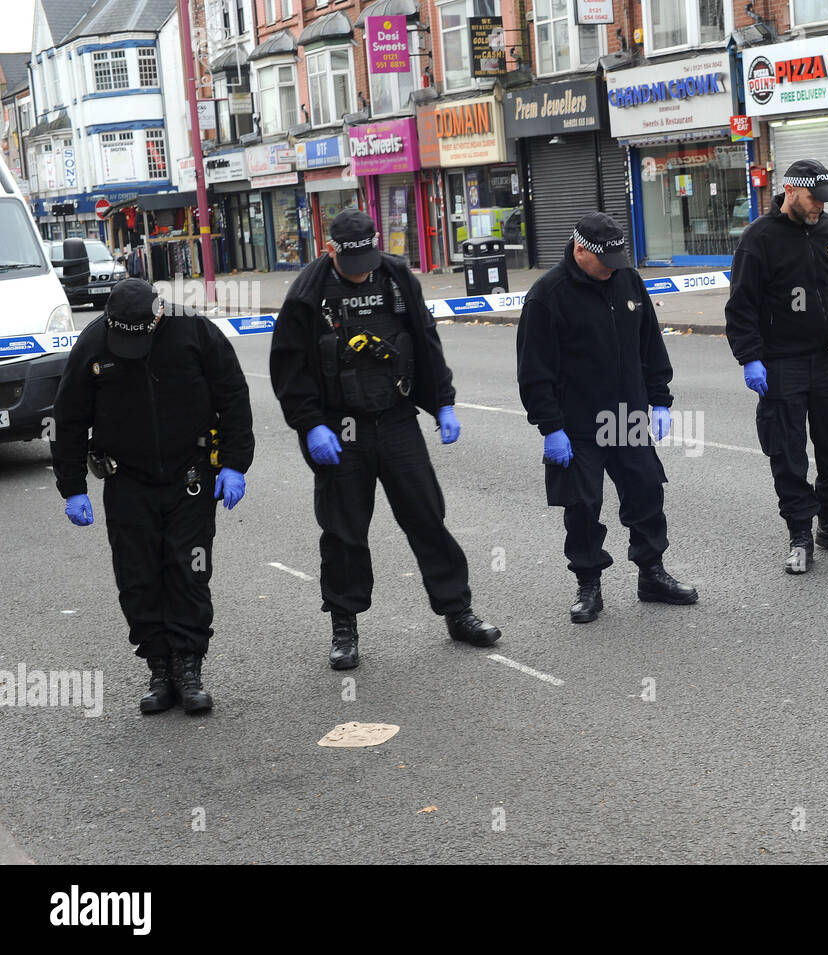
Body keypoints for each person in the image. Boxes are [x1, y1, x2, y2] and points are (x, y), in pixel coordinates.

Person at [269, 209, 499, 668]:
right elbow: (289, 367)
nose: (362, 273)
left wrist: (444, 403)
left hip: (395, 418)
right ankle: (344, 626)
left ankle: (458, 611)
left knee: (427, 517)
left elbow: (426, 340)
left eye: (367, 262)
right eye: (353, 265)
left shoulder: (395, 277)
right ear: (332, 250)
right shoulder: (308, 294)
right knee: (344, 531)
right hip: (339, 426)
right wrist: (310, 424)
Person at [53, 279, 254, 714]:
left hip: (190, 476)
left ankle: (188, 666)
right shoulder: (94, 343)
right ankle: (159, 669)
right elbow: (68, 420)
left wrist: (236, 463)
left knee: (188, 569)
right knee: (138, 576)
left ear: (158, 314)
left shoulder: (194, 331)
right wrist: (72, 488)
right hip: (127, 480)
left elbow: (233, 395)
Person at [517, 213, 697, 623]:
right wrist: (551, 428)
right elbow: (534, 371)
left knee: (646, 492)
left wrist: (660, 398)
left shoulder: (627, 280)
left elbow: (650, 343)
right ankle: (588, 584)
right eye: (607, 260)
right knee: (582, 505)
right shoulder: (548, 296)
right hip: (576, 425)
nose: (614, 268)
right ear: (581, 251)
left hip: (626, 415)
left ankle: (652, 574)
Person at [726, 159, 828, 573]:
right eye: (813, 198)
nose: (819, 207)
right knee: (788, 454)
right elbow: (741, 306)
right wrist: (750, 357)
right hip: (780, 363)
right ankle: (799, 534)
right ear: (790, 190)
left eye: (825, 200)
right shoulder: (759, 238)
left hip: (827, 357)